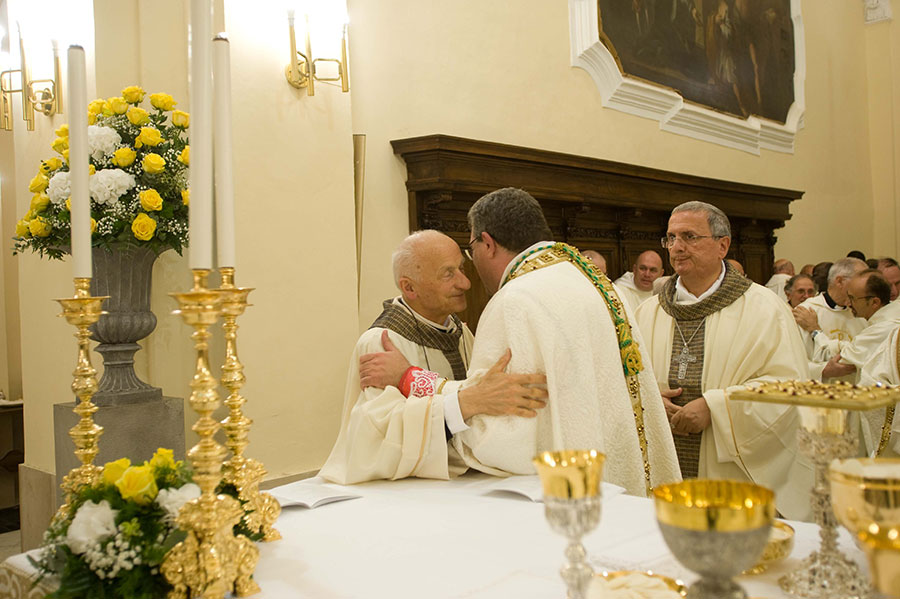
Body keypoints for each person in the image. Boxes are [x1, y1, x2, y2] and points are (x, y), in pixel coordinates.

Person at [362, 189, 681, 496]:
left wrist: (412, 379)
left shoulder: (516, 301)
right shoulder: (594, 282)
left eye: (469, 254)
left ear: (486, 243)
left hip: (567, 495)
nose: (467, 277)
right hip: (621, 479)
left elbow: (499, 437)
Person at [319, 230, 549, 484]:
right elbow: (380, 436)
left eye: (461, 268)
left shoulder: (462, 333)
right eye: (448, 274)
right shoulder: (382, 342)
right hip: (407, 489)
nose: (465, 283)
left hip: (468, 479)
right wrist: (464, 403)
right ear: (409, 287)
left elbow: (489, 397)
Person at [634, 201, 812, 520]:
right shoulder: (649, 311)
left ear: (722, 245)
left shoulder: (764, 308)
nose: (677, 247)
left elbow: (790, 389)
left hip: (730, 474)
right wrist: (648, 399)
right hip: (665, 463)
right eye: (671, 238)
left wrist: (716, 408)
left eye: (689, 236)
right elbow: (628, 379)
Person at [792, 258, 867, 382]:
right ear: (839, 281)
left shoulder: (861, 312)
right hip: (820, 393)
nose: (864, 288)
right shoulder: (806, 312)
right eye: (859, 282)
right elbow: (792, 360)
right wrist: (823, 370)